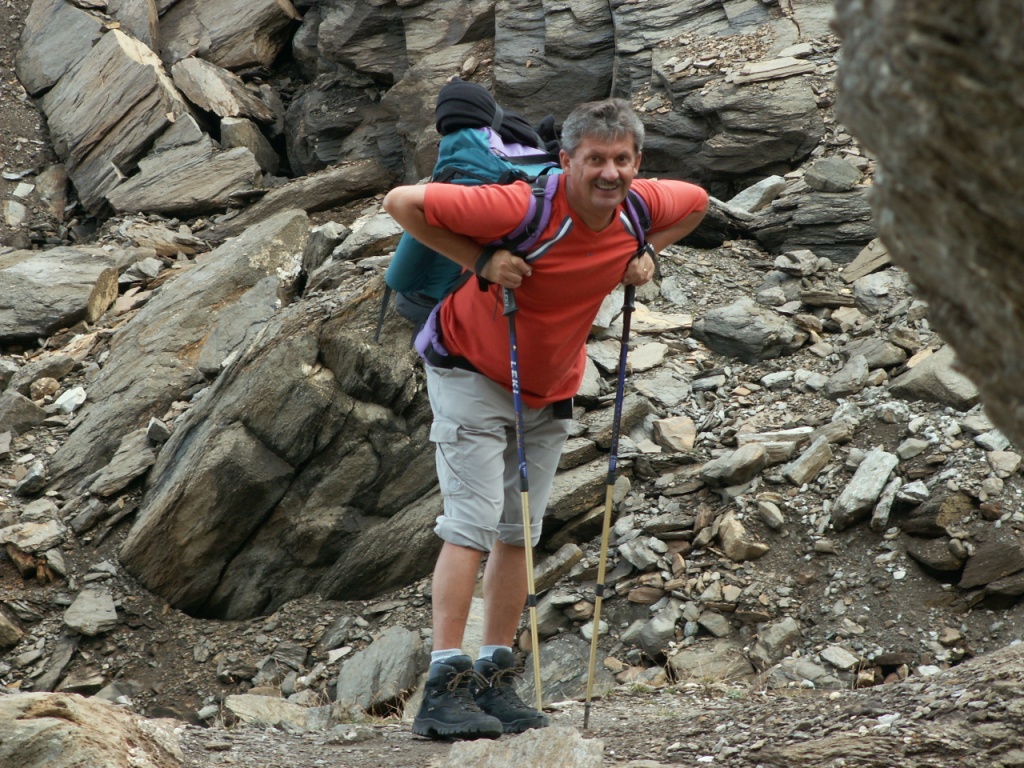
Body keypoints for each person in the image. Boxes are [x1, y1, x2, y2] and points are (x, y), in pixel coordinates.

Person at [383, 97, 708, 740]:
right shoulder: (520, 207)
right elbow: (402, 202)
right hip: (469, 370)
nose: (610, 172)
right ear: (566, 160)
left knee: (518, 533)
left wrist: (646, 251)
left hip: (550, 387)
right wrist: (481, 262)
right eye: (596, 159)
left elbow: (697, 203)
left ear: (638, 161)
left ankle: (494, 677)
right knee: (470, 525)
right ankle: (443, 689)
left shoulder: (639, 210)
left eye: (622, 159)